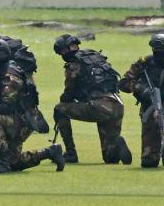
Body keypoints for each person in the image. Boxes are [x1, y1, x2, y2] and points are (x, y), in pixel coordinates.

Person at [0, 39, 63, 174]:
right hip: (18, 118)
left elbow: (7, 103)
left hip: (22, 120)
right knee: (14, 162)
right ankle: (49, 152)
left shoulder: (10, 74)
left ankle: (2, 164)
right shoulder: (0, 70)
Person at [52, 34, 132, 164]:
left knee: (60, 109)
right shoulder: (95, 56)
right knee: (110, 158)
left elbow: (68, 93)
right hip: (117, 105)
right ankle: (117, 145)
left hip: (99, 106)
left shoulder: (73, 64)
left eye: (61, 52)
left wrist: (67, 99)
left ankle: (71, 153)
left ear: (65, 50)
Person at [119, 33, 164, 169]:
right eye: (157, 50)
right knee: (149, 163)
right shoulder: (143, 63)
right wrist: (140, 88)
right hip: (149, 109)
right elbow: (123, 83)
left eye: (163, 50)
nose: (160, 53)